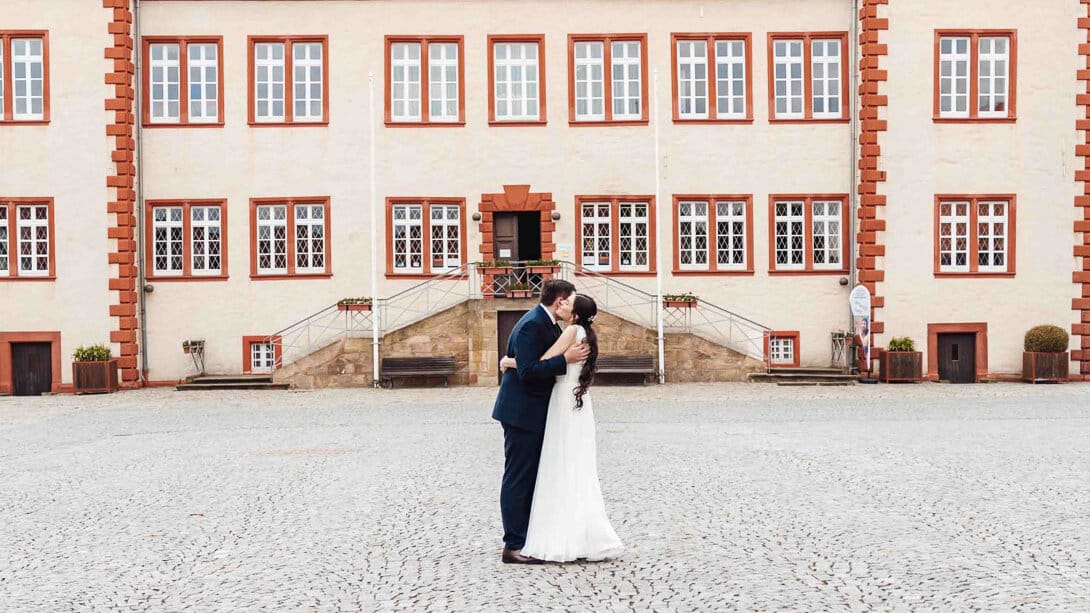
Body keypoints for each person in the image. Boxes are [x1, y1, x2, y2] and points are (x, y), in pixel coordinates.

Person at [500, 294, 624, 563]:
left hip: (562, 403)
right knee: (575, 468)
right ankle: (578, 535)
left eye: (569, 303)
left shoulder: (570, 331)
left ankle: (550, 537)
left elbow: (541, 362)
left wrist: (508, 361)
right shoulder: (586, 334)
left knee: (558, 466)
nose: (564, 306)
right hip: (578, 405)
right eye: (564, 301)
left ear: (576, 314)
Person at [492, 279, 589, 564]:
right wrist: (566, 359)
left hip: (533, 411)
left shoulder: (547, 323)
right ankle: (513, 545)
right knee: (518, 478)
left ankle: (526, 537)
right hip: (521, 413)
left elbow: (523, 361)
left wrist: (509, 360)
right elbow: (530, 371)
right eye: (570, 300)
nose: (572, 307)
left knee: (530, 477)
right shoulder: (533, 324)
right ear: (560, 301)